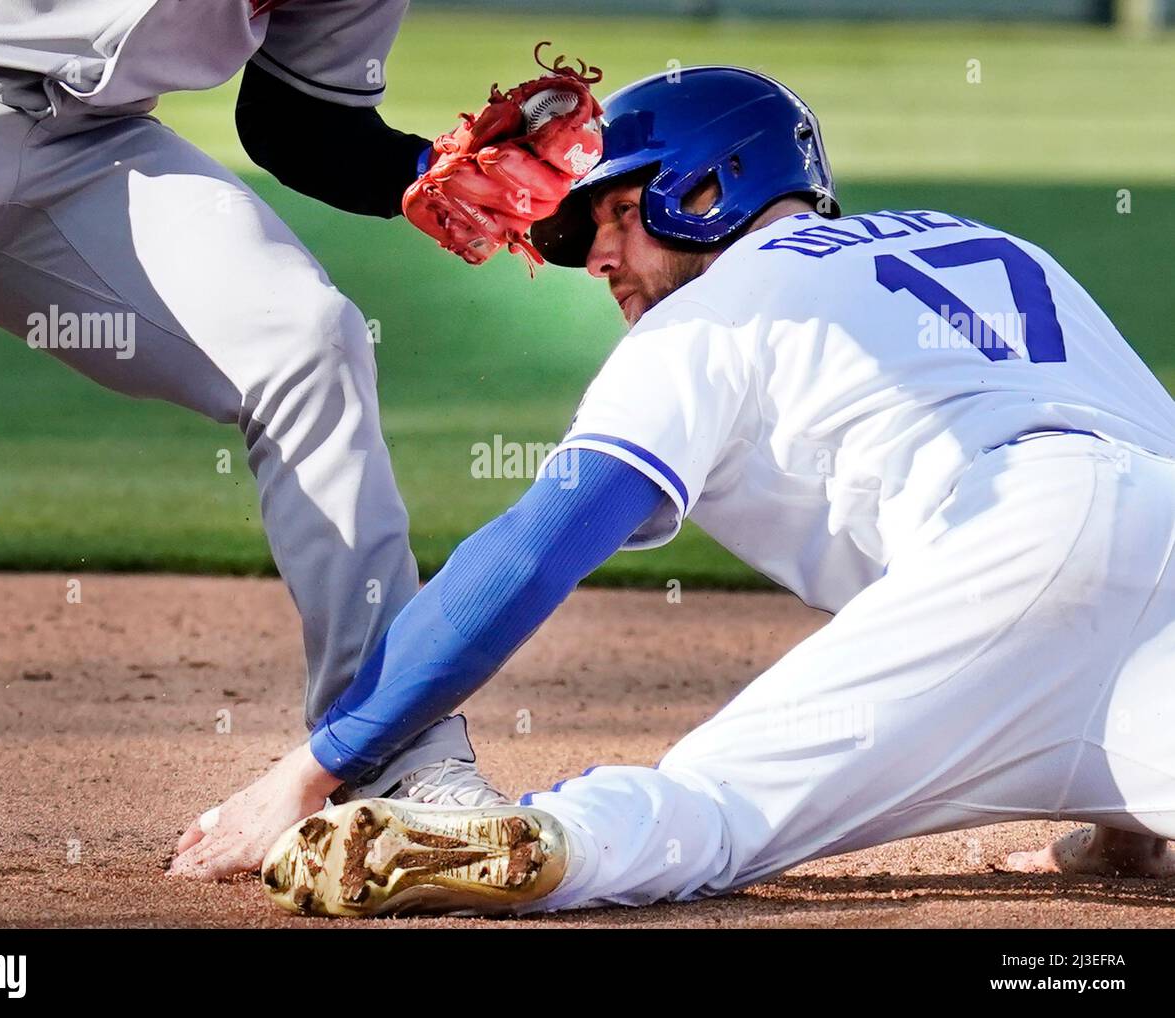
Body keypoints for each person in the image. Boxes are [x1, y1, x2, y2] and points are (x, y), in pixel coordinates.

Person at [257, 65, 1175, 917]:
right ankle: (1133, 822)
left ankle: (546, 840)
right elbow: (1123, 515)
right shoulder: (995, 246)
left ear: (706, 190)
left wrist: (314, 767)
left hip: (1006, 546)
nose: (597, 260)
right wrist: (1122, 834)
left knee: (712, 808)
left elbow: (533, 551)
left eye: (616, 215)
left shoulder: (704, 317)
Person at [0, 0, 531, 884]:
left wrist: (422, 172)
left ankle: (392, 753)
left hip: (90, 147)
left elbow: (298, 117)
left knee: (309, 338)